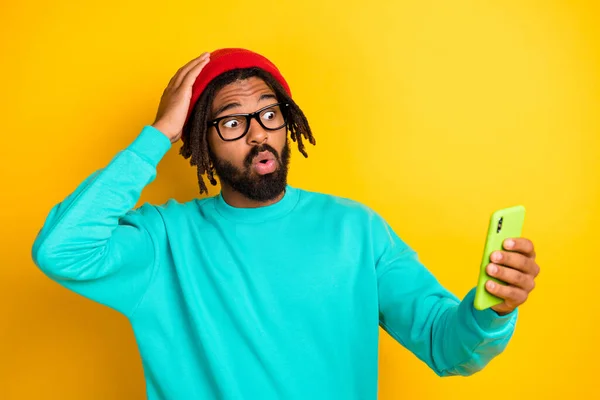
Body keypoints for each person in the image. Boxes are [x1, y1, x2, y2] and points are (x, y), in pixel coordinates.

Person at [31, 48, 540, 399]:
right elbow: (61, 249)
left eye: (269, 113)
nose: (259, 135)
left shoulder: (356, 230)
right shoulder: (164, 241)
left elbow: (445, 345)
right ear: (199, 141)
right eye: (232, 121)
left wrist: (492, 308)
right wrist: (157, 134)